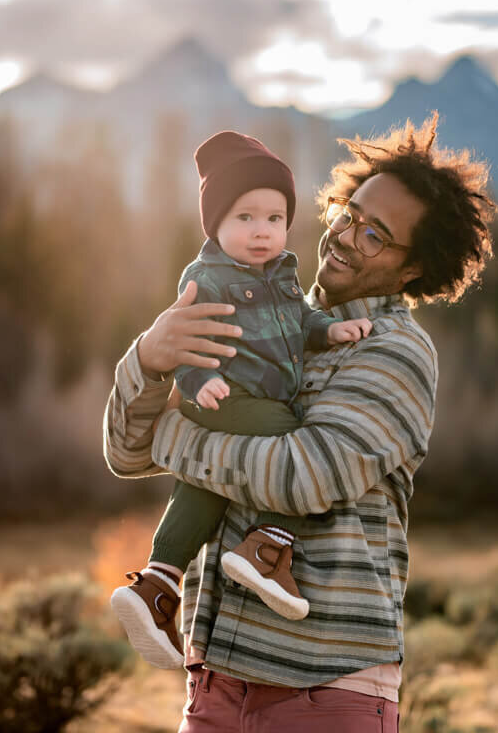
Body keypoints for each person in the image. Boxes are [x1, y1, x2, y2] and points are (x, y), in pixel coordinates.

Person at [104, 115, 496, 733]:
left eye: (376, 235)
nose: (345, 236)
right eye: (350, 214)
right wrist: (150, 360)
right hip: (214, 680)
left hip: (325, 687)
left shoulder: (394, 351)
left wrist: (175, 438)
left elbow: (304, 476)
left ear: (414, 266)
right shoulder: (258, 315)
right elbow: (125, 454)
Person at [110, 130, 371, 668]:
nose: (261, 232)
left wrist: (330, 332)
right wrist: (193, 381)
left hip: (244, 402)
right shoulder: (208, 278)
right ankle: (265, 548)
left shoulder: (285, 274)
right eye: (245, 218)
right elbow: (184, 337)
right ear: (217, 226)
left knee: (207, 486)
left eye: (274, 219)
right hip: (227, 395)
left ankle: (157, 585)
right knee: (290, 432)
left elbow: (301, 320)